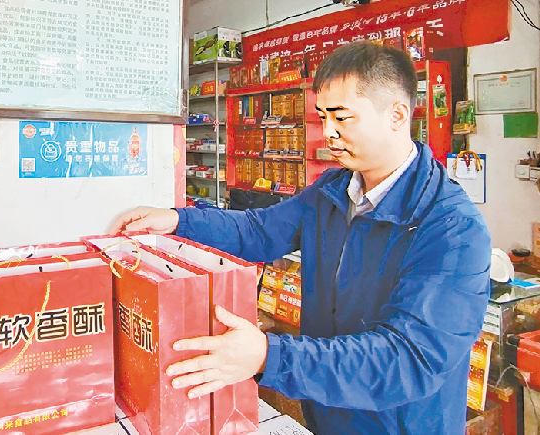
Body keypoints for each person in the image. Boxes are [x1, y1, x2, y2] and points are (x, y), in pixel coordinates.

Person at [108, 42, 491, 435]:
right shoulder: (334, 190)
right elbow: (260, 231)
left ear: (397, 115)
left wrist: (269, 356)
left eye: (342, 118)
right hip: (327, 414)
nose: (328, 133)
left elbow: (406, 360)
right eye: (323, 117)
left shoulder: (452, 229)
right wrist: (178, 220)